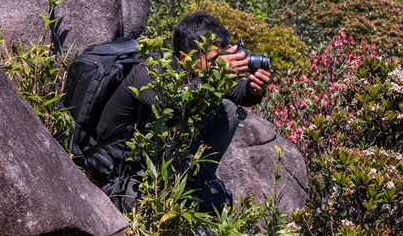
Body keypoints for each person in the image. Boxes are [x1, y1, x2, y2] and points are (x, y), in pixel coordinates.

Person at [94, 11, 271, 210]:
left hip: (156, 164)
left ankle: (201, 181)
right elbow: (171, 107)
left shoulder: (198, 73)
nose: (220, 63)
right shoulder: (151, 72)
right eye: (214, 58)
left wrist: (251, 89)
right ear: (184, 57)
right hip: (119, 176)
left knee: (226, 108)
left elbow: (235, 93)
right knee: (156, 205)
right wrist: (215, 74)